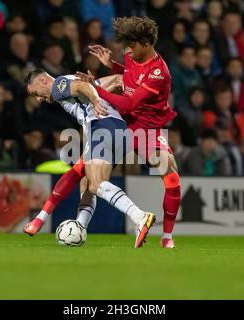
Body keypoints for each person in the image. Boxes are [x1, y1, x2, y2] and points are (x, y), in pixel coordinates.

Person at [77, 16, 181, 248]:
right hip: (122, 125)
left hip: (147, 130)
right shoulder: (131, 55)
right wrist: (112, 65)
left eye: (131, 45)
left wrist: (95, 89)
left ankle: (167, 238)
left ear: (146, 43)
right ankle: (78, 226)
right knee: (86, 177)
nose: (128, 50)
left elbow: (128, 103)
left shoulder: (159, 73)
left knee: (172, 177)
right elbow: (132, 76)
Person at [24, 69, 155, 248]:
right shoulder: (72, 83)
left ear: (42, 80)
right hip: (121, 131)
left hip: (102, 126)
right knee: (85, 183)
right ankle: (79, 227)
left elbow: (82, 86)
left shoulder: (58, 86)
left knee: (95, 183)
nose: (38, 99)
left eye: (35, 93)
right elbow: (118, 79)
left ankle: (139, 216)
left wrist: (95, 100)